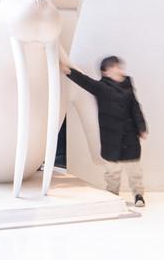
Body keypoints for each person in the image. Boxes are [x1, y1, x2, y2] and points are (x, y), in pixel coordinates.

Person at [61, 53, 148, 207]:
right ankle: (112, 194)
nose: (119, 70)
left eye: (119, 67)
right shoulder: (101, 88)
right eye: (114, 67)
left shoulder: (128, 86)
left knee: (134, 171)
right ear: (106, 72)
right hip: (111, 138)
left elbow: (135, 108)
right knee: (112, 172)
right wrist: (68, 71)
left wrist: (141, 127)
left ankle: (138, 195)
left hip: (130, 136)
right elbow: (85, 81)